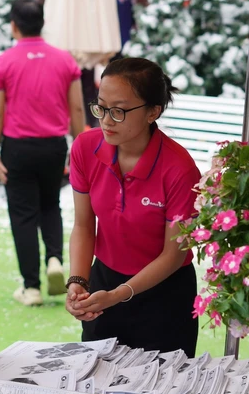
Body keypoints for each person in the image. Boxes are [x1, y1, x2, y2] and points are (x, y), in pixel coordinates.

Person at [65, 57, 201, 356]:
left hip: (164, 294)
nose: (107, 120)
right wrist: (77, 281)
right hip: (104, 282)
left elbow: (172, 255)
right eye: (101, 107)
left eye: (119, 111)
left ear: (153, 112)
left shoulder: (179, 168)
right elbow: (84, 226)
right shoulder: (85, 148)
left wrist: (118, 295)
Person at [0, 0, 85, 307]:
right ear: (42, 23)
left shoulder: (3, 62)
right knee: (50, 205)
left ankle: (31, 287)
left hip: (18, 148)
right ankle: (54, 260)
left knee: (23, 215)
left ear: (14, 26)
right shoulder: (65, 60)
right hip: (54, 146)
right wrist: (80, 146)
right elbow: (78, 108)